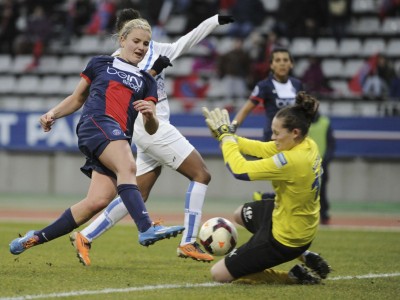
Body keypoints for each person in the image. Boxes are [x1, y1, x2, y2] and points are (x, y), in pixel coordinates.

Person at [69, 9, 235, 266]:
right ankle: (188, 241)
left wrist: (214, 20)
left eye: (142, 39)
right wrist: (154, 73)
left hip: (154, 126)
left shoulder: (157, 50)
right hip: (148, 127)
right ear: (122, 36)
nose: (138, 44)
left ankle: (86, 235)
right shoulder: (115, 62)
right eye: (131, 37)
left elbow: (188, 40)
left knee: (138, 192)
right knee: (201, 174)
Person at [9, 18, 185, 257]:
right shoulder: (101, 63)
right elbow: (77, 98)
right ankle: (145, 227)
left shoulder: (148, 81)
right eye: (136, 41)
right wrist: (53, 113)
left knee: (97, 202)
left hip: (117, 136)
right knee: (128, 166)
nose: (141, 47)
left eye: (146, 43)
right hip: (96, 124)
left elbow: (151, 128)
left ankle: (33, 239)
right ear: (122, 40)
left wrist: (150, 115)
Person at [202, 92, 331, 284]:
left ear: (294, 132)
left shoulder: (292, 160)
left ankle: (293, 277)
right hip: (289, 218)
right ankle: (306, 255)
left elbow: (240, 170)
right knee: (239, 214)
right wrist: (226, 137)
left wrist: (227, 138)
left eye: (277, 133)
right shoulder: (306, 144)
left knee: (218, 274)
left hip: (285, 238)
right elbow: (261, 148)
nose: (273, 137)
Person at [232, 47, 303, 200]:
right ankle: (270, 199)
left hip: (295, 141)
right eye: (278, 60)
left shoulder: (297, 85)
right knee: (284, 178)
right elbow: (245, 110)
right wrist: (231, 129)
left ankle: (267, 198)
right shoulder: (264, 86)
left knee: (294, 181)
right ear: (271, 65)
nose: (282, 64)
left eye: (286, 60)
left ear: (291, 64)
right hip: (274, 141)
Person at [308, 113, 335, 224]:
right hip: (304, 164)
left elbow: (331, 144)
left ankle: (324, 215)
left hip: (321, 164)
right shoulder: (302, 122)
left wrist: (326, 160)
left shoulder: (325, 123)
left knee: (321, 190)